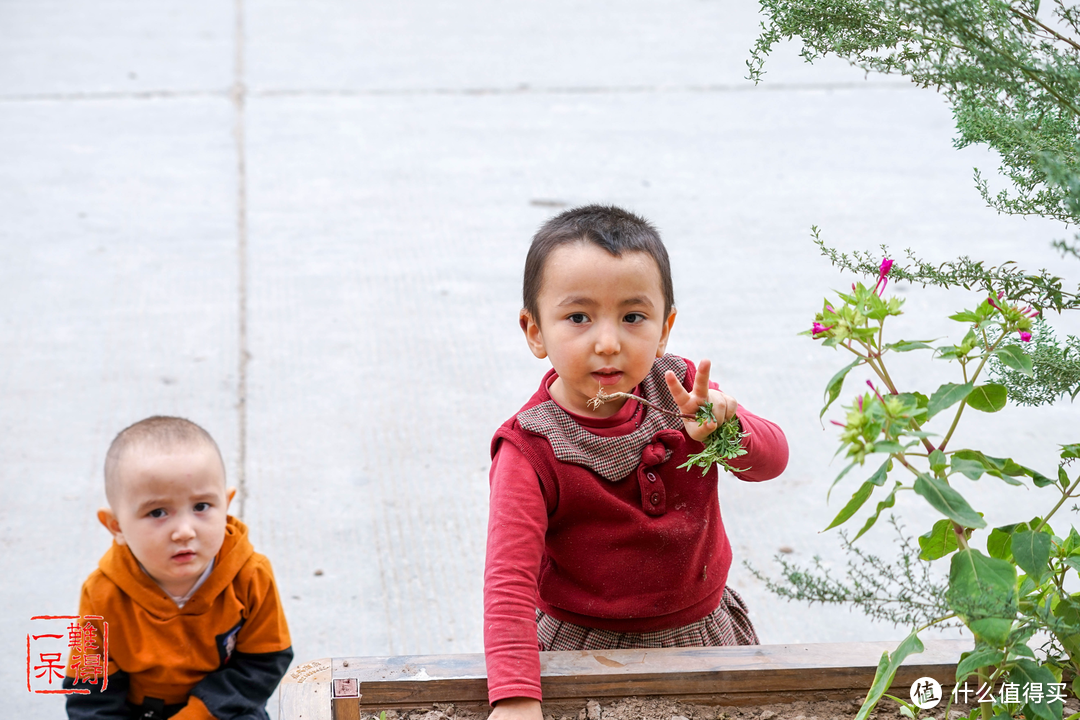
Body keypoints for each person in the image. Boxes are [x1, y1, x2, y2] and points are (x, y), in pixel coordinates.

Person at [484, 205, 789, 719]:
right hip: (580, 650)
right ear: (534, 331)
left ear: (664, 327)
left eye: (633, 317)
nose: (608, 342)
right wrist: (516, 698)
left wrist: (727, 430)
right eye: (578, 317)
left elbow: (772, 461)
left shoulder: (682, 392)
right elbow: (508, 583)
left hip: (704, 636)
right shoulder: (530, 448)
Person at [63, 416, 293, 720]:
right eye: (157, 512)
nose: (184, 531)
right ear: (116, 526)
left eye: (201, 507)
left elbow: (264, 661)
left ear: (226, 505)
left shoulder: (250, 575)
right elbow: (90, 689)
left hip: (223, 708)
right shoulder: (102, 593)